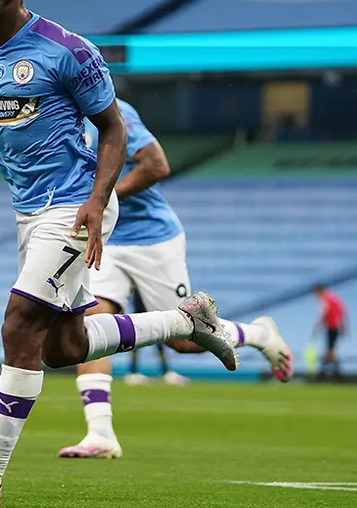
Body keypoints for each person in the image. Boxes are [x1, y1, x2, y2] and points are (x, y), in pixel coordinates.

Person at [0, 0, 237, 506]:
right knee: (64, 346)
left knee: (18, 325)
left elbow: (114, 129)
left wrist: (97, 197)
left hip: (72, 203)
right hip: (28, 210)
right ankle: (185, 321)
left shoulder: (68, 51)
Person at [57, 99, 293, 460]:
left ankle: (259, 333)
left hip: (153, 239)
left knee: (184, 341)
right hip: (106, 237)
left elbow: (156, 165)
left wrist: (101, 198)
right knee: (91, 327)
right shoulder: (53, 116)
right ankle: (100, 434)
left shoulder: (110, 110)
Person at [123, 289, 188, 387]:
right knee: (141, 335)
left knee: (155, 337)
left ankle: (163, 371)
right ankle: (133, 372)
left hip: (148, 302)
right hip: (144, 303)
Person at [312, 284, 346, 379]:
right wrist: (343, 327)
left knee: (330, 351)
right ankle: (330, 373)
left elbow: (325, 313)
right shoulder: (333, 298)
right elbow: (342, 312)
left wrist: (319, 325)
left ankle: (328, 374)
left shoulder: (326, 299)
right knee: (330, 350)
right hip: (335, 326)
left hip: (332, 326)